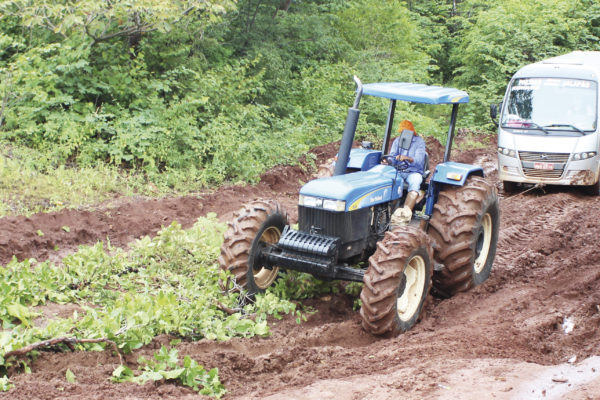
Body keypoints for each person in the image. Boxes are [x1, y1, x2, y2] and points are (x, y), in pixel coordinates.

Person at [383, 119, 426, 226]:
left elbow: (419, 160)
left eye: (405, 131)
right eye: (401, 131)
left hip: (413, 171)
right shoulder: (397, 141)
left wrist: (407, 158)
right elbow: (392, 157)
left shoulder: (419, 142)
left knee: (415, 182)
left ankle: (403, 216)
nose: (403, 133)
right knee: (388, 180)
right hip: (399, 170)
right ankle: (387, 214)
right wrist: (388, 160)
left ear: (411, 132)